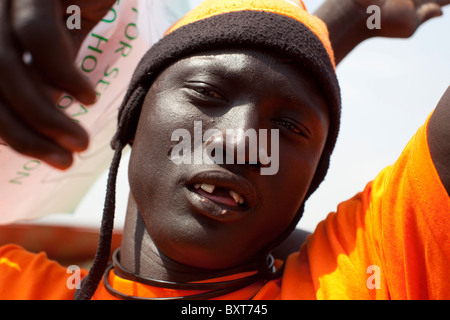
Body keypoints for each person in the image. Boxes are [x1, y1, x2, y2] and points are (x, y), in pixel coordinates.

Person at [0, 0, 449, 300]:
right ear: (133, 118)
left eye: (290, 127)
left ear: (312, 179)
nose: (243, 141)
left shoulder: (362, 277)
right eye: (206, 93)